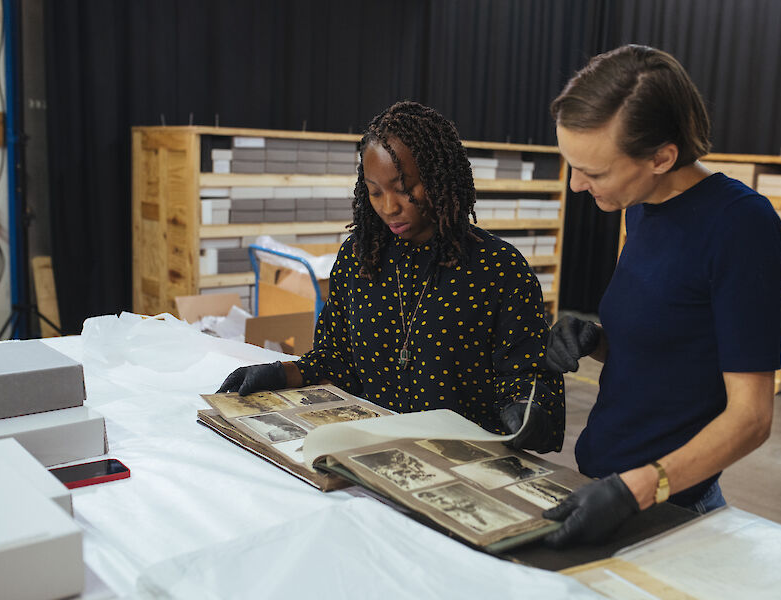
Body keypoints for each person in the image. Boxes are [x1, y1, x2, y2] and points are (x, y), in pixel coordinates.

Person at [541, 45, 781, 547]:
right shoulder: (641, 206)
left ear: (662, 157)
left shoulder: (740, 226)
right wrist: (595, 340)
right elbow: (673, 346)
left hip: (668, 507)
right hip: (605, 482)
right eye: (572, 164)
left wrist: (638, 491)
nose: (577, 185)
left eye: (595, 171)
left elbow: (752, 417)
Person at [218, 101, 565, 453]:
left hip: (460, 458)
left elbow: (528, 378)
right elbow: (337, 359)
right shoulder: (358, 259)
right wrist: (281, 373)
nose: (388, 207)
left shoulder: (500, 268)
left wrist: (528, 412)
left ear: (440, 178)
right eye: (375, 191)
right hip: (372, 453)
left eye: (404, 189)